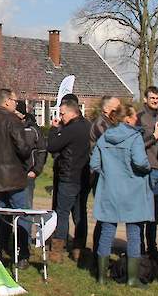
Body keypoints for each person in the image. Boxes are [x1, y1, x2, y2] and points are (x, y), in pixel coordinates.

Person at [91, 104, 154, 287]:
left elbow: (94, 163)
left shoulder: (104, 138)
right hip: (132, 191)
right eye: (134, 116)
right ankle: (133, 279)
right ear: (127, 118)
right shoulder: (134, 137)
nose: (137, 119)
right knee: (134, 233)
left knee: (107, 232)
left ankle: (102, 277)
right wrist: (147, 168)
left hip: (109, 190)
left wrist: (108, 173)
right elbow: (141, 162)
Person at [0, 88, 32, 269]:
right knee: (21, 215)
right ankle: (22, 254)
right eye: (16, 101)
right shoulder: (12, 121)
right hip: (14, 177)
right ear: (7, 101)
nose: (17, 104)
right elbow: (24, 148)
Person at [46, 95, 91, 262]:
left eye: (63, 113)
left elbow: (52, 146)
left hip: (69, 176)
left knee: (62, 213)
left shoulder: (70, 129)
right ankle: (79, 249)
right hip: (85, 176)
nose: (61, 117)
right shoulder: (88, 126)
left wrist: (53, 130)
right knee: (80, 214)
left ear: (72, 112)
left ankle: (57, 251)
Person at [137, 85, 158, 261]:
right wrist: (154, 136)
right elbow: (136, 145)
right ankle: (140, 249)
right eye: (152, 98)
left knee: (155, 215)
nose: (155, 101)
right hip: (146, 171)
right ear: (145, 99)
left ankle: (153, 249)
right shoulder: (140, 119)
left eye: (157, 98)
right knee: (143, 213)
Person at [89, 95, 121, 267]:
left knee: (107, 218)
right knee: (105, 217)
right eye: (117, 107)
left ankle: (101, 254)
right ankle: (99, 256)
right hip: (101, 176)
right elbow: (113, 146)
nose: (120, 111)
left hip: (107, 175)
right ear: (107, 109)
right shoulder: (101, 125)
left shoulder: (110, 124)